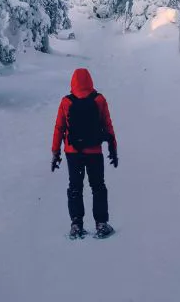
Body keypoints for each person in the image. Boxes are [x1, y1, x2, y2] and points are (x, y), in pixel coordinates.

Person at [50, 67, 117, 239]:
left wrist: (55, 152)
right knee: (98, 187)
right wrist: (113, 148)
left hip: (73, 153)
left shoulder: (66, 102)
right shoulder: (99, 100)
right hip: (94, 151)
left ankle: (76, 225)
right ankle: (101, 224)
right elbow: (108, 126)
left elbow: (59, 128)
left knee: (75, 188)